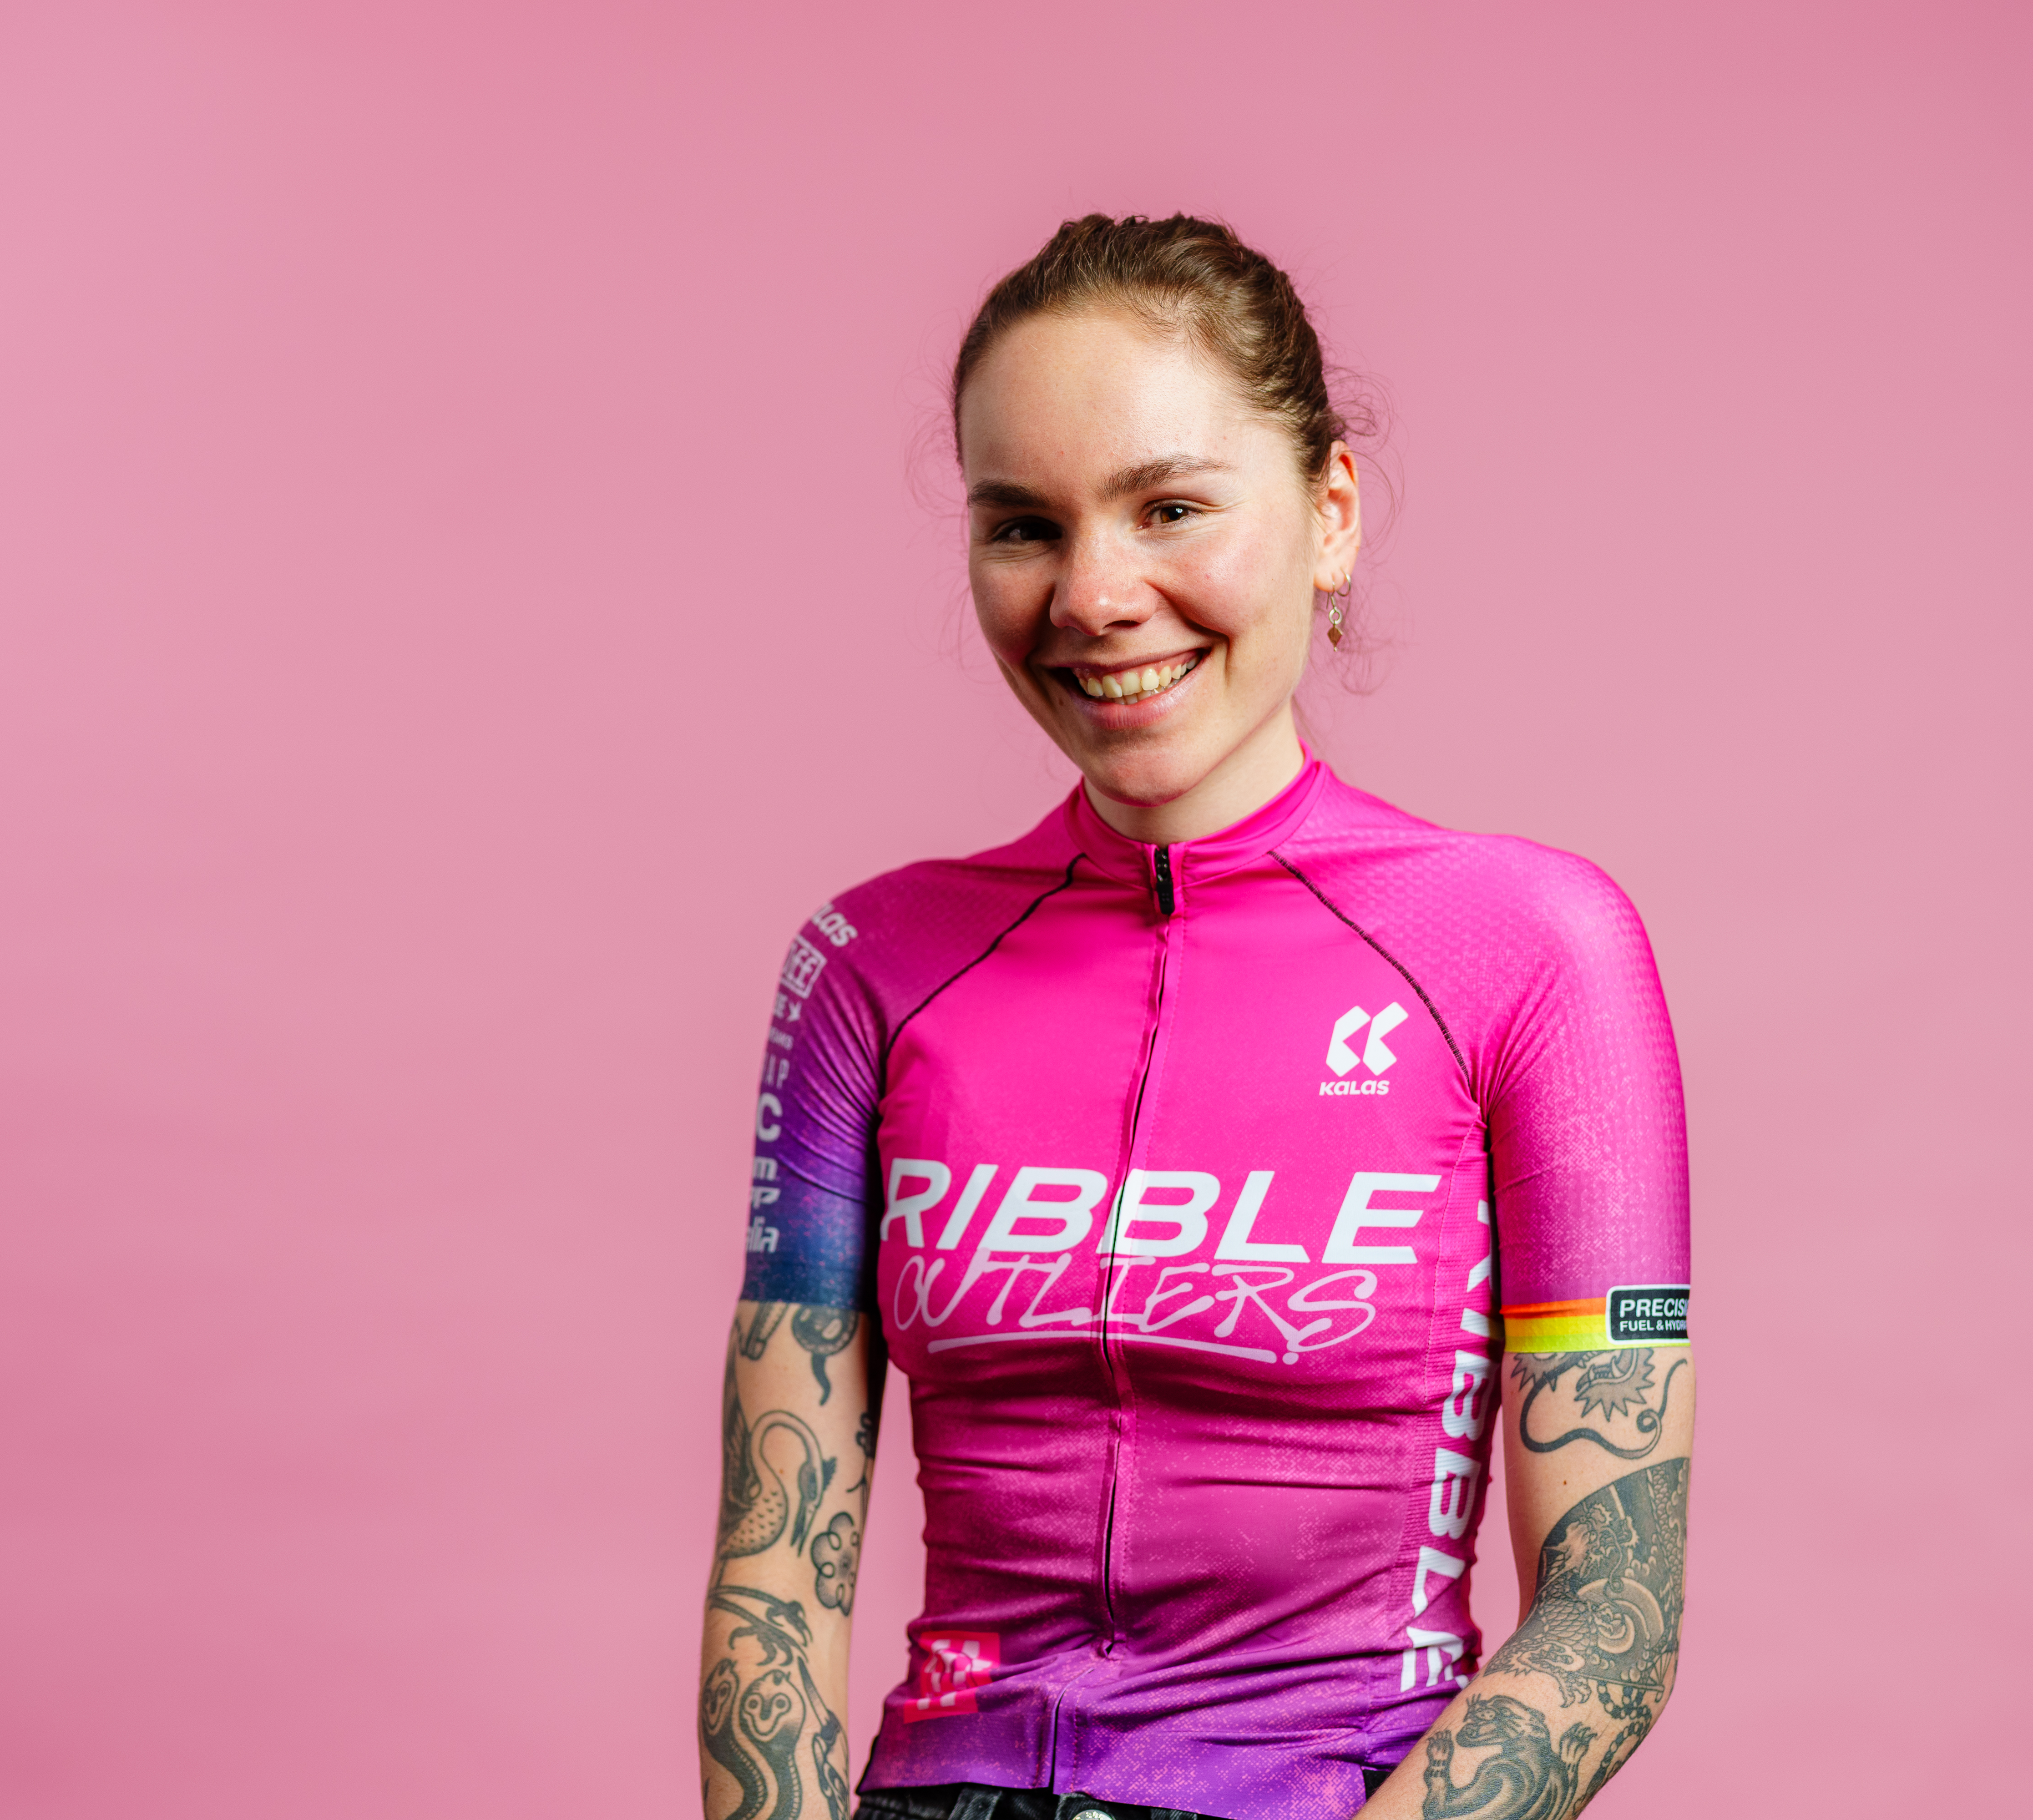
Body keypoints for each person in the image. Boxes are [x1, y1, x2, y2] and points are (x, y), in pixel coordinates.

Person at [698, 215, 1692, 1820]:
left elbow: (1613, 1612)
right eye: (1024, 526)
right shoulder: (869, 966)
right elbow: (775, 1583)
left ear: (1330, 514)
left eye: (1170, 508)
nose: (1095, 595)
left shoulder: (1533, 950)